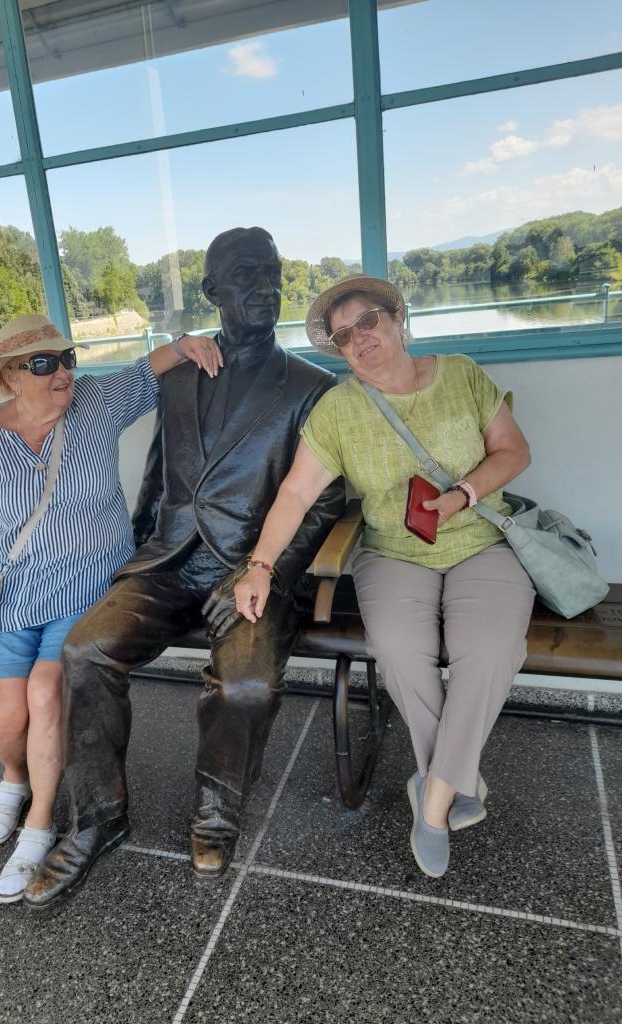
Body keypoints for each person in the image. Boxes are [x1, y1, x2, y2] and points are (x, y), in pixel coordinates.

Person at [23, 227, 345, 911]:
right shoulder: (178, 377)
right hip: (168, 562)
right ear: (212, 291)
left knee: (247, 683)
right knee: (84, 650)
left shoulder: (312, 386)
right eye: (247, 274)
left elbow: (323, 501)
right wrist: (135, 557)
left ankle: (217, 811)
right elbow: (158, 478)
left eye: (272, 273)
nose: (266, 287)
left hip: (249, 568)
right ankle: (98, 819)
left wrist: (268, 571)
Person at [233, 275, 535, 879]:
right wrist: (259, 565)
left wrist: (461, 496)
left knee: (491, 650)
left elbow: (513, 451)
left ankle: (433, 800)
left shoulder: (461, 374)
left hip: (481, 543)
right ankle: (455, 782)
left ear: (397, 319)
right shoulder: (338, 410)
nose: (359, 339)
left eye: (367, 321)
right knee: (398, 651)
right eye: (344, 336)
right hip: (392, 554)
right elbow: (296, 493)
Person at [0, 313, 221, 903]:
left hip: (87, 585)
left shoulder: (95, 402)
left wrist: (185, 344)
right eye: (44, 363)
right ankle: (15, 779)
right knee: (6, 711)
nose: (63, 371)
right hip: (13, 593)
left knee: (46, 691)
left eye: (67, 357)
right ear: (11, 377)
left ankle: (40, 825)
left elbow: (146, 370)